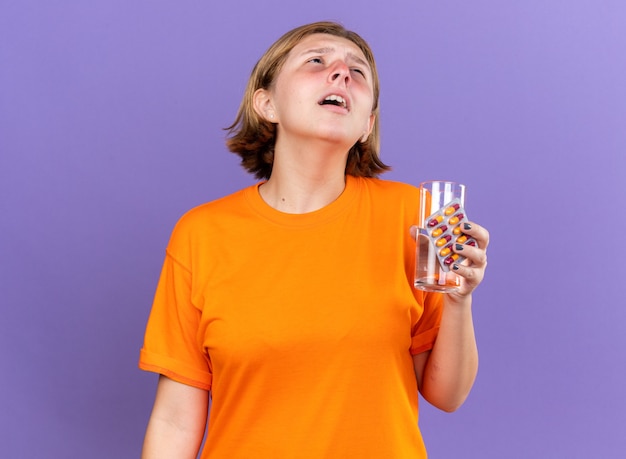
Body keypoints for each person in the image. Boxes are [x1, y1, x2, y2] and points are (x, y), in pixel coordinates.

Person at [139, 21, 489, 458]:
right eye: (317, 61)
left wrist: (459, 299)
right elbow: (174, 420)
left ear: (367, 124)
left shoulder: (415, 218)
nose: (342, 73)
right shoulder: (202, 234)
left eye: (358, 72)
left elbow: (447, 394)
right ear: (266, 103)